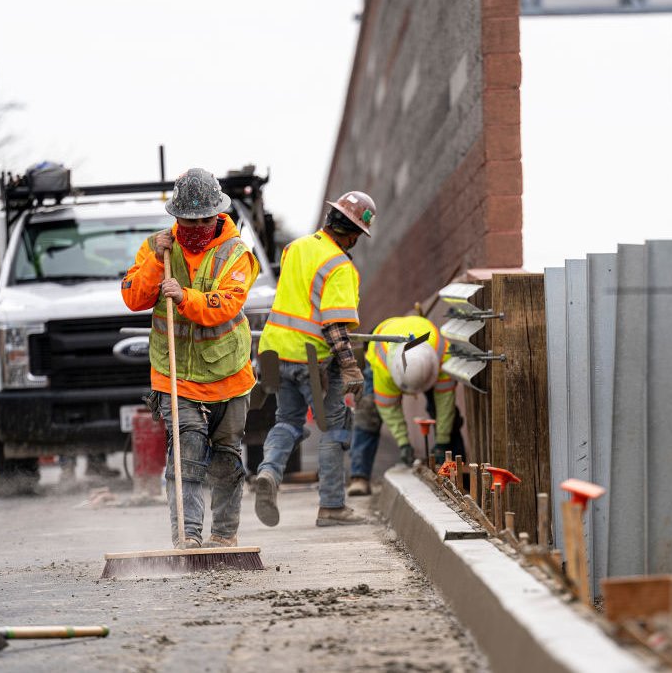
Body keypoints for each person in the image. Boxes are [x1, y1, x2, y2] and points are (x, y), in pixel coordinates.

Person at [121, 168, 260, 549]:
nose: (196, 226)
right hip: (176, 375)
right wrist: (155, 261)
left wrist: (183, 296)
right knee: (188, 453)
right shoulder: (158, 248)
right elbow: (133, 297)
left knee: (227, 460)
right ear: (175, 217)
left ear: (218, 215)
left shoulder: (237, 254)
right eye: (188, 220)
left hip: (229, 375)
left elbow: (226, 305)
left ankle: (224, 535)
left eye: (203, 219)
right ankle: (188, 536)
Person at [251, 191, 375, 527]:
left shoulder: (296, 248)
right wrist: (350, 366)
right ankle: (332, 507)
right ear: (352, 234)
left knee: (287, 421)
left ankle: (269, 473)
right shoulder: (339, 265)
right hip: (312, 358)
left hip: (274, 351)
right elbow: (333, 323)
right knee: (334, 428)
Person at [347, 315, 460, 496]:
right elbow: (388, 408)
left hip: (427, 353)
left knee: (447, 414)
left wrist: (442, 441)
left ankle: (454, 472)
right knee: (368, 413)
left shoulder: (442, 355)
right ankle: (359, 477)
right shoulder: (384, 367)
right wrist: (404, 443)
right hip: (379, 349)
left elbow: (445, 405)